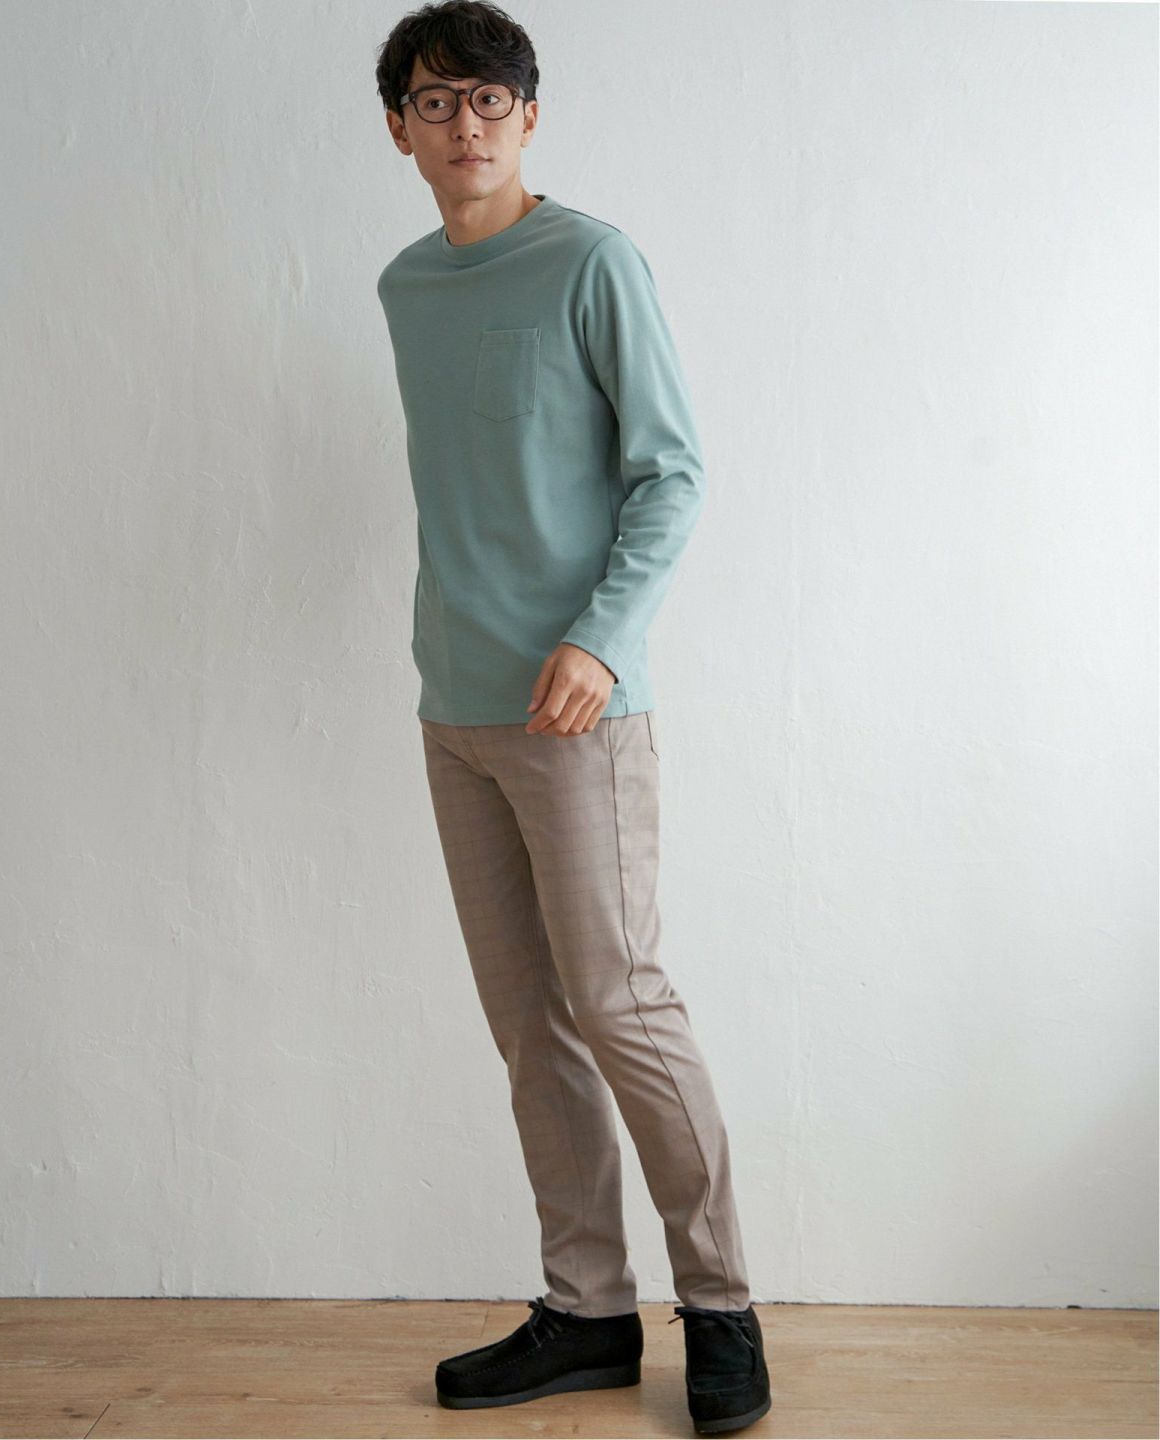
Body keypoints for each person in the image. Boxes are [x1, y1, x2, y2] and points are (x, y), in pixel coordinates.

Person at [374, 2, 772, 1432]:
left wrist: (602, 641)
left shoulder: (594, 262)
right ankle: (589, 1310)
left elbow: (674, 471)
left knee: (621, 1005)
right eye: (436, 101)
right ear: (401, 129)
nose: (465, 123)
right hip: (456, 711)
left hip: (578, 714)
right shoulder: (406, 285)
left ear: (529, 117)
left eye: (490, 98)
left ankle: (720, 1307)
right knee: (530, 1028)